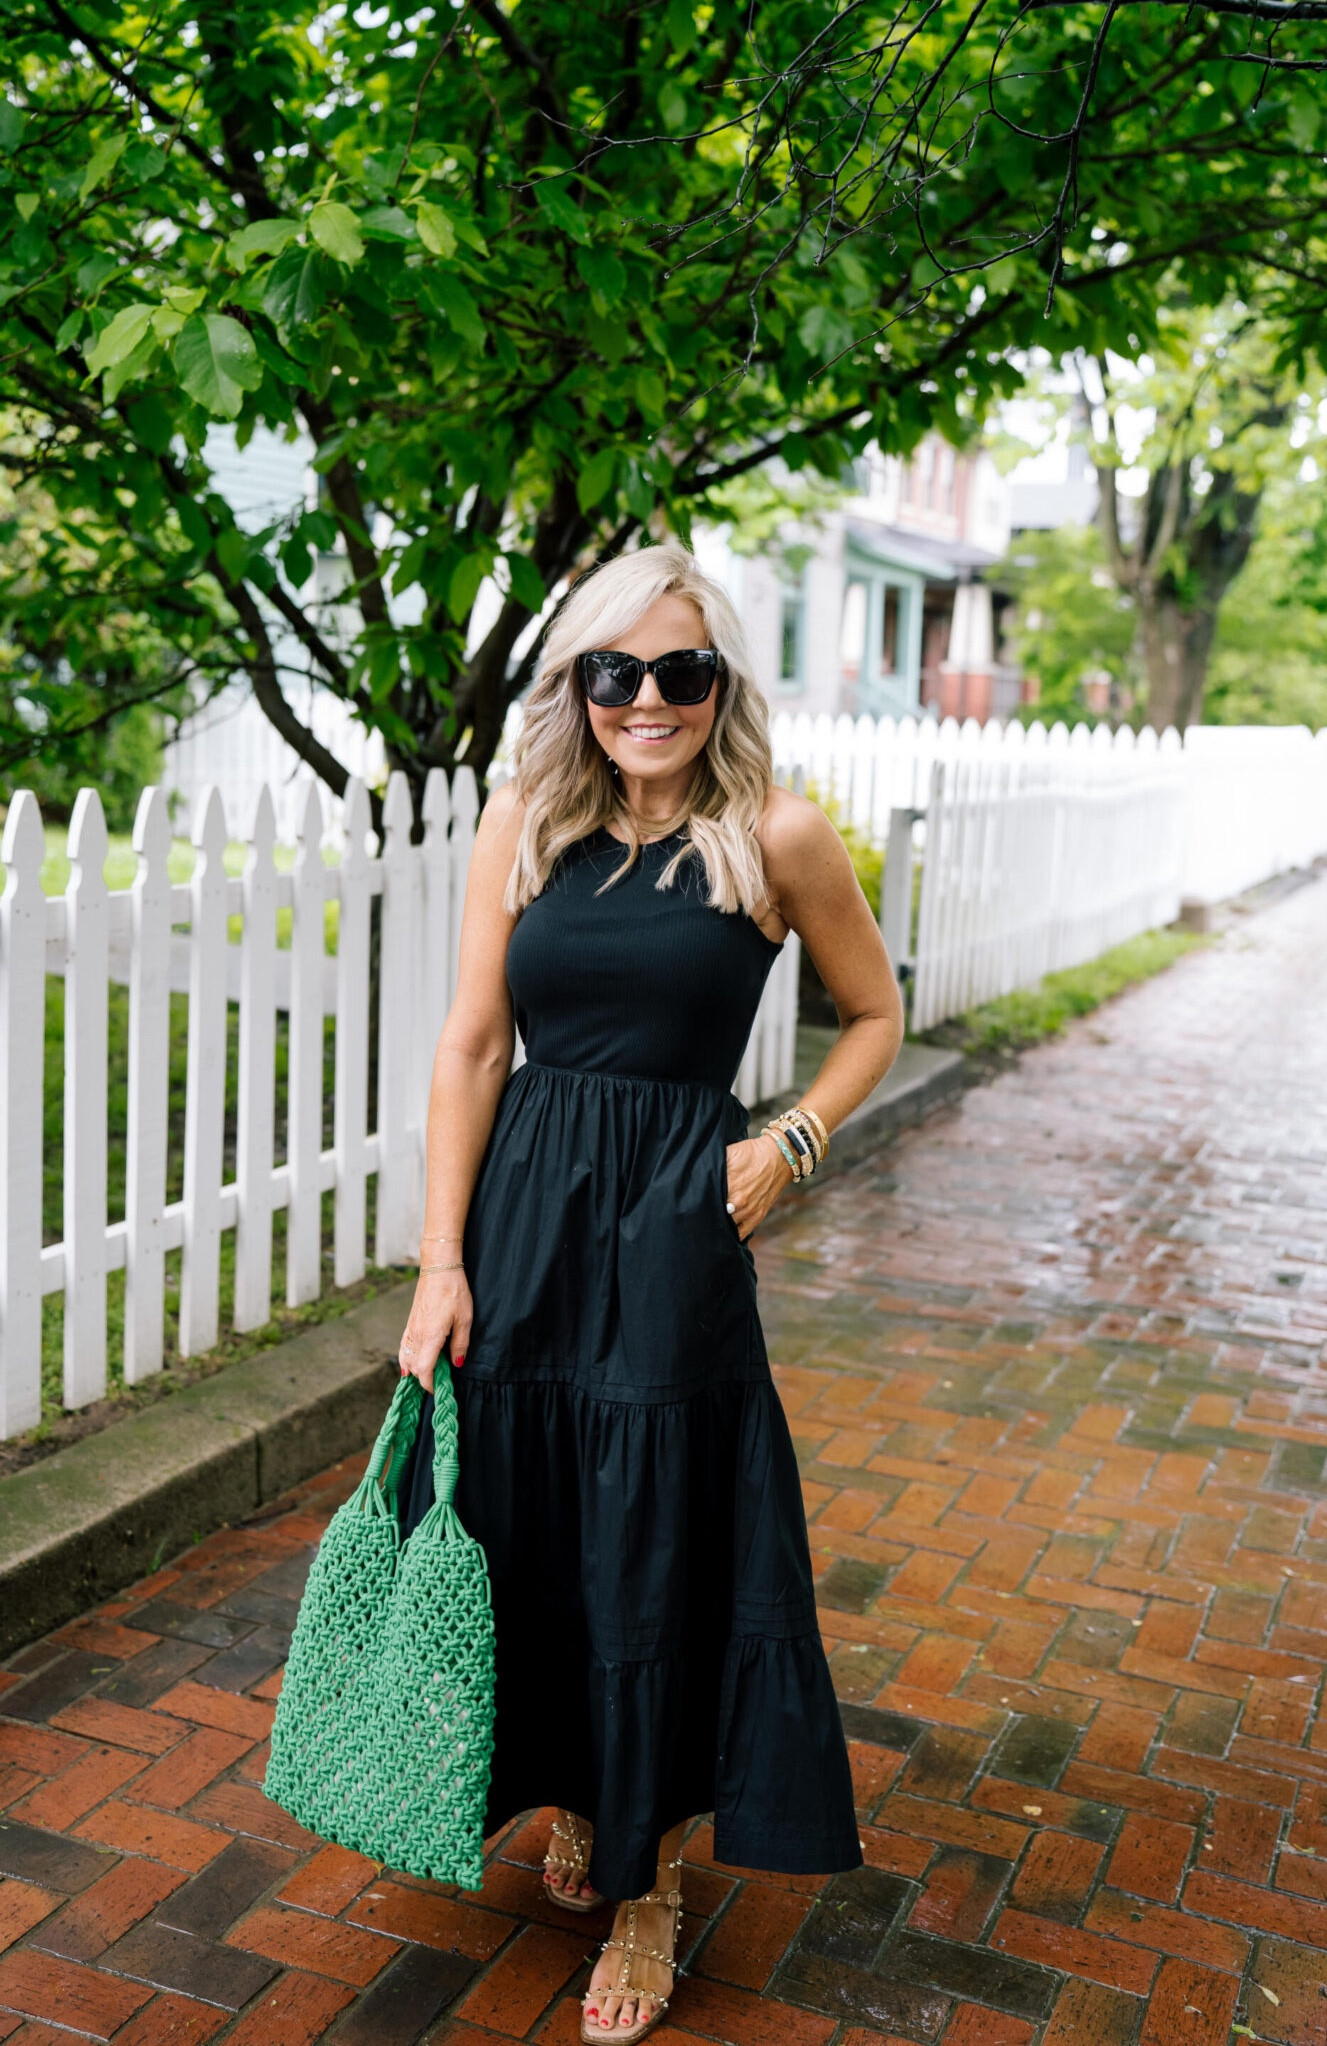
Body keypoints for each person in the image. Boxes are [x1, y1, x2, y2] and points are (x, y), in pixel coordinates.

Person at [395, 544, 904, 2042]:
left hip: (677, 1231)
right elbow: (474, 1047)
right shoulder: (526, 819)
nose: (648, 700)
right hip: (527, 1220)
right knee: (539, 1523)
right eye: (615, 671)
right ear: (580, 686)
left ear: (721, 683)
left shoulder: (775, 836)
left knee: (656, 1542)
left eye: (681, 670)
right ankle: (582, 1797)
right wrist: (439, 1260)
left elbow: (875, 1012)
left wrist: (794, 1140)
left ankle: (648, 1885)